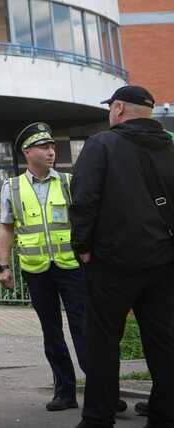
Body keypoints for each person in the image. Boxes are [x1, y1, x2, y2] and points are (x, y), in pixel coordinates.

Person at [70, 85, 174, 428]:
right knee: (164, 341)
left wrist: (82, 247)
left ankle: (99, 417)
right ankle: (164, 413)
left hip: (112, 263)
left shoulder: (102, 144)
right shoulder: (170, 145)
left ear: (117, 108)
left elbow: (84, 199)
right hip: (163, 262)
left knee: (103, 342)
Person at [0, 122, 88, 412]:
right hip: (36, 270)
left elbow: (85, 222)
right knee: (52, 332)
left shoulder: (68, 182)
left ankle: (102, 389)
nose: (51, 151)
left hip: (72, 267)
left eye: (52, 146)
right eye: (44, 146)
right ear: (27, 152)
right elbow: (6, 228)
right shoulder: (12, 186)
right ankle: (65, 392)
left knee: (84, 328)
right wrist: (3, 266)